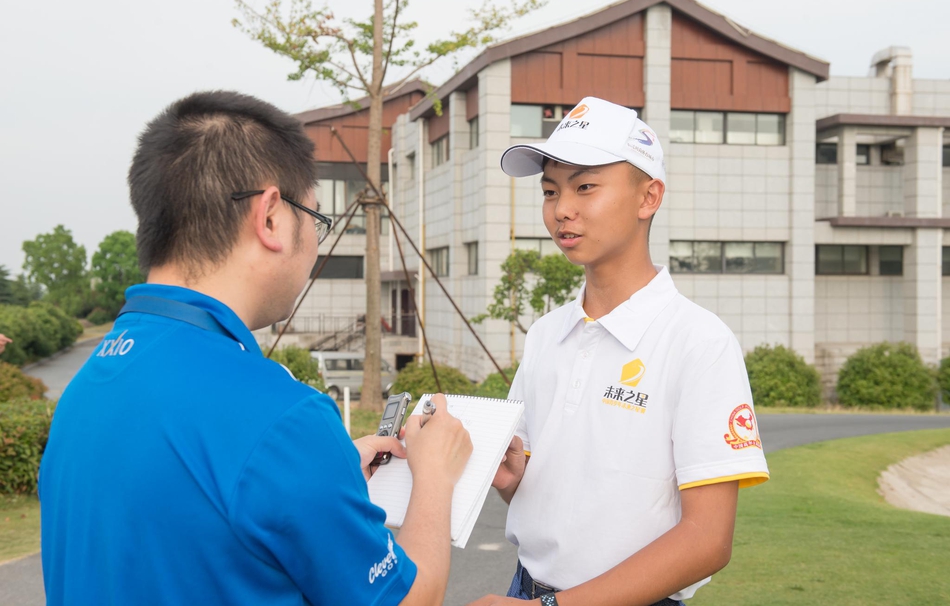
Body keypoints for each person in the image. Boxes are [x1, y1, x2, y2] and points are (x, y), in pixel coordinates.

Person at [39, 91, 472, 606]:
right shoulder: (282, 419)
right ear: (270, 217)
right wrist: (436, 477)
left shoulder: (88, 385)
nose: (313, 241)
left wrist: (320, 478)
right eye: (314, 217)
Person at [471, 97, 770, 606]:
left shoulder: (699, 341)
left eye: (585, 186)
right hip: (526, 589)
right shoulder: (546, 334)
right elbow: (535, 493)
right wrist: (511, 480)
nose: (562, 209)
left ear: (648, 197)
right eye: (550, 191)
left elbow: (708, 540)